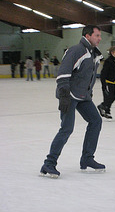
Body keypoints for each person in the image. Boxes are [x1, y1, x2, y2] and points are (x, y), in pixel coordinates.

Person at [40, 25, 105, 178]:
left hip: (83, 96)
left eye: (100, 35)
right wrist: (63, 95)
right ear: (87, 36)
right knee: (67, 128)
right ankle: (49, 163)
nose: (100, 38)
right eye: (97, 35)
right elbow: (63, 73)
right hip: (69, 95)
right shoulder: (76, 50)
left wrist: (89, 92)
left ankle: (87, 158)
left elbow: (87, 76)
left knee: (96, 121)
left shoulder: (93, 54)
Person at [97, 46, 115, 119]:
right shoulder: (108, 61)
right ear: (112, 53)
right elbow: (103, 73)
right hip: (107, 82)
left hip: (112, 82)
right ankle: (104, 108)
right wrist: (103, 85)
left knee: (113, 97)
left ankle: (104, 109)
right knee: (108, 97)